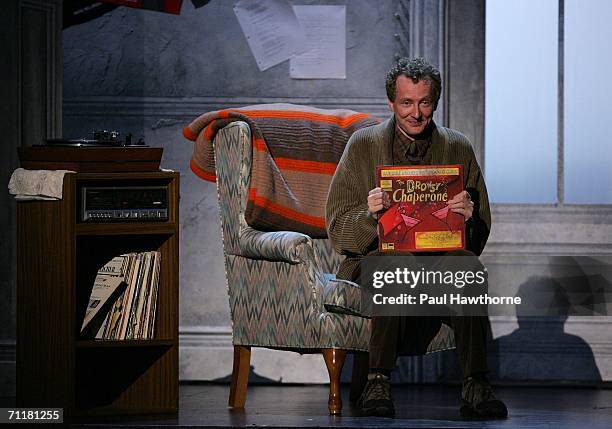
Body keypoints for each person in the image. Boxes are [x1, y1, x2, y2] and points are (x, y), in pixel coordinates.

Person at [325, 57, 507, 419]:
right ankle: (377, 381)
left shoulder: (458, 146)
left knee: (467, 265)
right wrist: (369, 215)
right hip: (373, 258)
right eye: (407, 102)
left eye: (424, 102)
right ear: (391, 103)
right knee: (395, 263)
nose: (416, 113)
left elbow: (481, 228)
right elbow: (337, 230)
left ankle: (476, 384)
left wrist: (468, 219)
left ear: (434, 103)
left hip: (438, 255)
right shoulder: (363, 145)